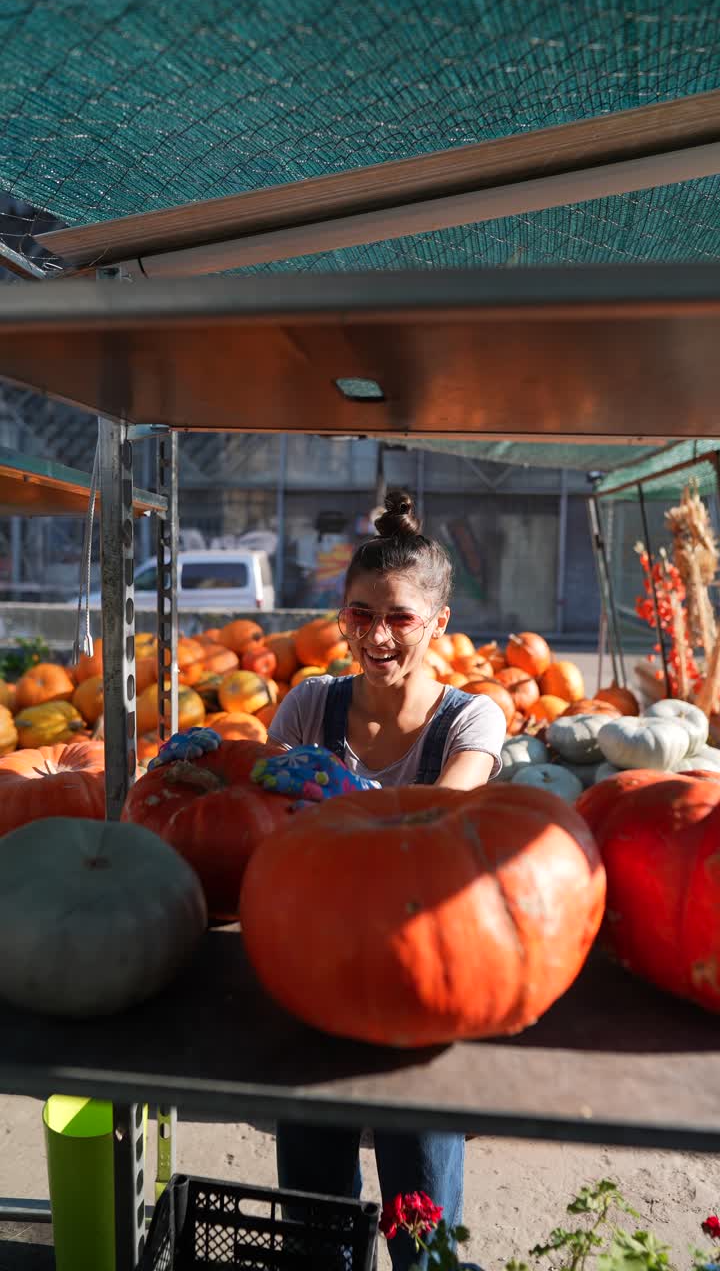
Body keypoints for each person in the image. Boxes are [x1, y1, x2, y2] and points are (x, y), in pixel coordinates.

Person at [266, 489, 506, 1271]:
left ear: (438, 623)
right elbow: (264, 827)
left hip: (423, 971)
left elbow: (445, 811)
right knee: (315, 1212)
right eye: (359, 613)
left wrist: (329, 800)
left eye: (400, 617)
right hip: (320, 961)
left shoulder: (473, 721)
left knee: (423, 1208)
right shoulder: (308, 706)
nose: (376, 635)